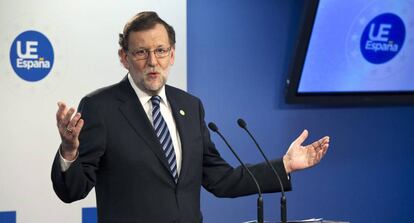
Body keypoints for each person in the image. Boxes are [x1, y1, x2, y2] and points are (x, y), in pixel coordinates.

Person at [51, 11, 329, 223]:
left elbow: (221, 179)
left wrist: (286, 165)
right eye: (141, 52)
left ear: (172, 55)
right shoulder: (101, 107)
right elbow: (71, 191)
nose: (152, 61)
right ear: (124, 57)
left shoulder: (189, 106)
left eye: (160, 50)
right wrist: (69, 150)